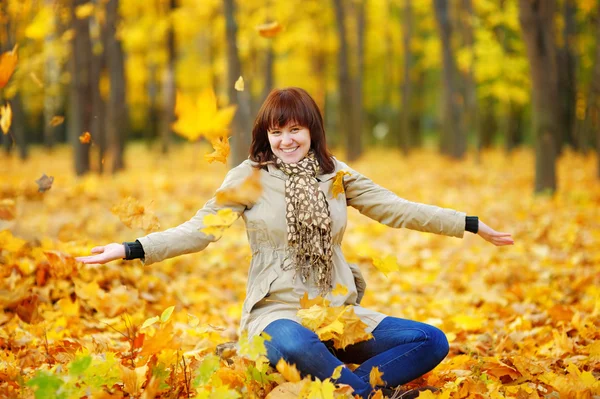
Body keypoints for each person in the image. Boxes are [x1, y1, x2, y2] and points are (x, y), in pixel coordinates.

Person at [77, 87, 514, 398]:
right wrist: (131, 248)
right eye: (275, 131)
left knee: (430, 341)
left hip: (336, 314)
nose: (285, 140)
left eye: (294, 130)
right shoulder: (248, 178)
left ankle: (351, 391)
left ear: (312, 131)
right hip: (276, 315)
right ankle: (369, 391)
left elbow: (398, 208)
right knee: (295, 342)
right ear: (265, 135)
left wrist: (469, 223)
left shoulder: (336, 176)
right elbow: (198, 231)